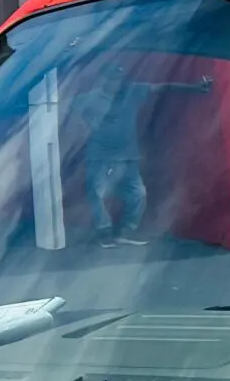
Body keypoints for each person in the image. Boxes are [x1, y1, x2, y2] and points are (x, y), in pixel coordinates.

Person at [65, 62, 212, 247]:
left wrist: (196, 88)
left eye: (119, 79)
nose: (117, 83)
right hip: (101, 157)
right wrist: (87, 123)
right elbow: (68, 107)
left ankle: (125, 231)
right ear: (104, 80)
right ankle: (105, 234)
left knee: (138, 195)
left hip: (128, 156)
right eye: (113, 79)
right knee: (97, 193)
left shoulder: (132, 91)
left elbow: (163, 88)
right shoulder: (91, 98)